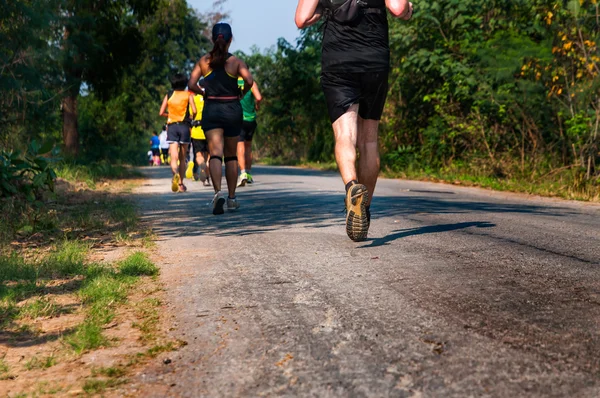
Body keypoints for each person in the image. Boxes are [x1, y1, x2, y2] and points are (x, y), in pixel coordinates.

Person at [295, 0, 413, 241]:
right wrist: (410, 9)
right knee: (369, 140)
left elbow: (301, 19)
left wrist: (326, 10)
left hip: (338, 57)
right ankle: (365, 208)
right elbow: (399, 8)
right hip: (374, 56)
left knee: (345, 134)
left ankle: (351, 188)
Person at [188, 22, 256, 215]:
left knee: (215, 153)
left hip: (212, 109)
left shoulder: (204, 61)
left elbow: (191, 83)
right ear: (230, 39)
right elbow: (249, 80)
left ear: (213, 39)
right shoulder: (236, 62)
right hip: (232, 109)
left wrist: (202, 92)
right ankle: (232, 199)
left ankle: (218, 193)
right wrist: (242, 92)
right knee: (231, 155)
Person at [159, 73, 196, 193]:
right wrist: (190, 118)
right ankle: (180, 183)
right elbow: (194, 111)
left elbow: (161, 112)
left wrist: (169, 115)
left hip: (172, 127)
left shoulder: (169, 94)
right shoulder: (188, 95)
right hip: (185, 127)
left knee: (174, 156)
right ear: (185, 83)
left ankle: (174, 173)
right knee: (183, 156)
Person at [236, 77, 263, 187]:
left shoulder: (234, 82)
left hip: (239, 119)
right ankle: (248, 173)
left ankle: (242, 174)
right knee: (248, 146)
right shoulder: (251, 83)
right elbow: (259, 97)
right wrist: (257, 106)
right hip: (251, 119)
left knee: (240, 145)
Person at [190, 81, 211, 186]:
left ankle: (202, 165)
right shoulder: (211, 97)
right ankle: (207, 178)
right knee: (209, 155)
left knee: (198, 154)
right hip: (210, 129)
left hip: (197, 130)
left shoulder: (193, 98)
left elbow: (193, 111)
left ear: (199, 87)